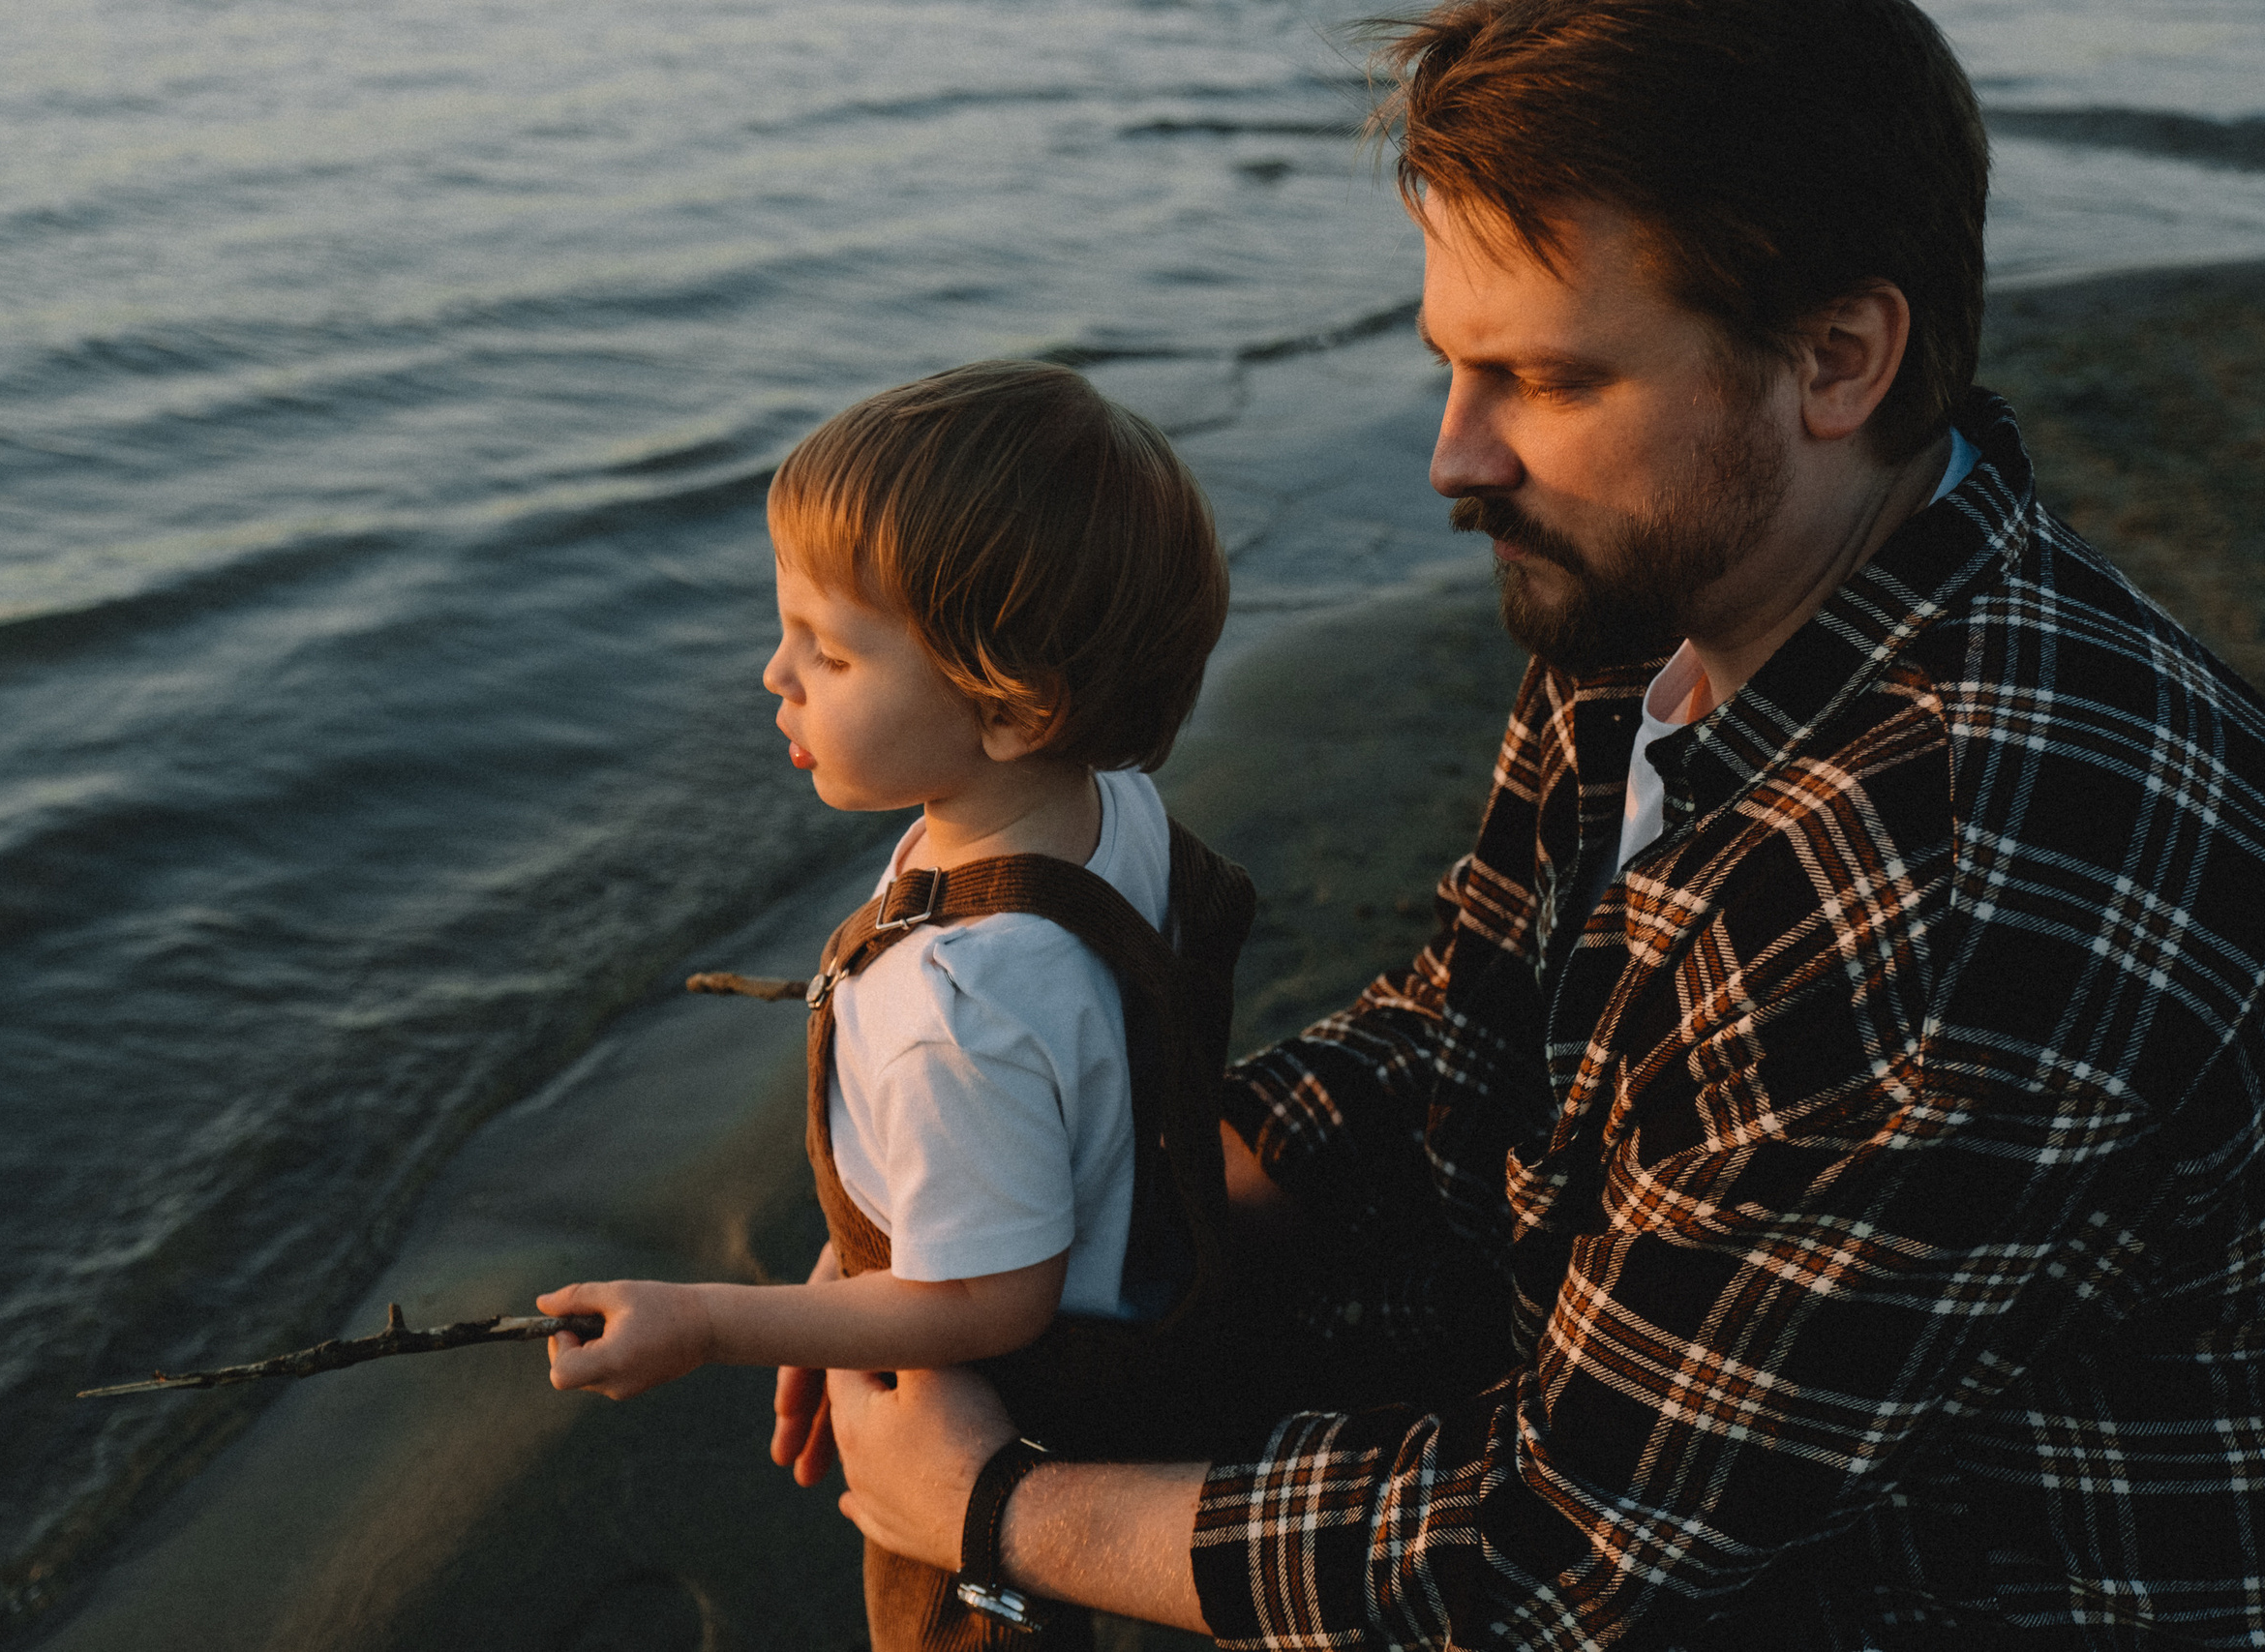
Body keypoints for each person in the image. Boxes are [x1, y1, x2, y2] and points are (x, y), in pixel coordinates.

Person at [817, 1, 2265, 1647]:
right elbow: (1460, 1024)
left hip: (1933, 1580)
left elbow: (1558, 1558)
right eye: (1452, 362)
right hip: (1617, 1378)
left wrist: (988, 1506)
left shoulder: (1953, 903)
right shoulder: (1684, 592)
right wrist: (1003, 1217)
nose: (1455, 458)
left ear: (1838, 359)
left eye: (1547, 379)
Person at [537, 359, 1249, 1650]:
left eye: (830, 649)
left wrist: (709, 1322)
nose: (775, 675)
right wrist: (856, 1257)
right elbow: (1050, 1116)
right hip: (1138, 1291)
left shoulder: (955, 998)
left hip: (996, 1424)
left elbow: (988, 1302)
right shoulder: (1102, 815)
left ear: (1008, 704)